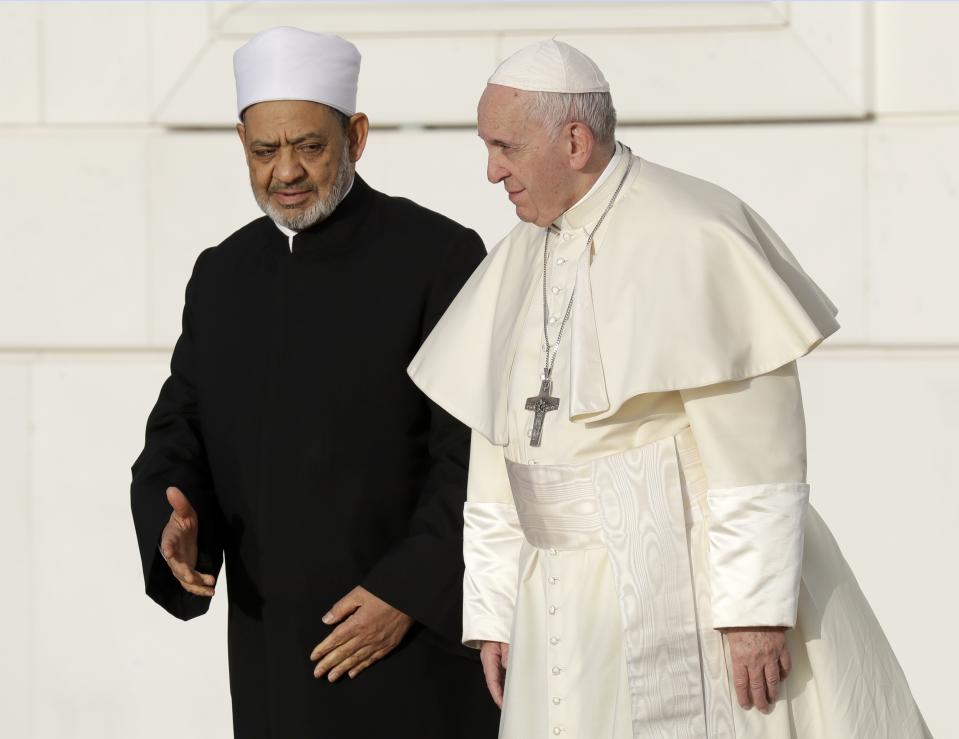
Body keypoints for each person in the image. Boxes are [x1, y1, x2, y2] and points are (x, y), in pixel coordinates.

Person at [408, 39, 930, 738]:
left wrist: (752, 610)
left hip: (680, 586)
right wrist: (494, 608)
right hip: (555, 600)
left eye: (504, 147)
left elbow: (757, 452)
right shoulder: (517, 255)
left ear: (573, 140)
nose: (491, 170)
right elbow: (497, 454)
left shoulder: (696, 231)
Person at [130, 26, 498, 738]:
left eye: (309, 146)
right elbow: (180, 433)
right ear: (242, 145)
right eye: (265, 151)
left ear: (356, 136)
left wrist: (407, 590)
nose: (286, 171)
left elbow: (477, 452)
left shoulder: (440, 256)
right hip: (273, 656)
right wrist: (174, 529)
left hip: (408, 651)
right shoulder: (222, 275)